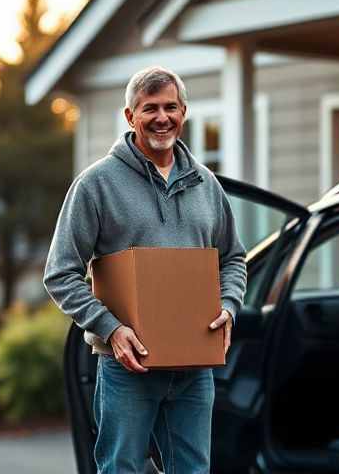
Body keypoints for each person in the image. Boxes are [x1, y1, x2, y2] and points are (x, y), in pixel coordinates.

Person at [43, 66, 247, 473]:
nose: (162, 117)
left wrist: (229, 304)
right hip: (127, 367)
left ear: (184, 112)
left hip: (193, 368)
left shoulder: (207, 185)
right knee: (121, 469)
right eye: (149, 108)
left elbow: (233, 259)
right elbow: (60, 273)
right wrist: (110, 328)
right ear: (130, 116)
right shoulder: (96, 184)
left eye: (170, 107)